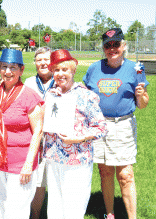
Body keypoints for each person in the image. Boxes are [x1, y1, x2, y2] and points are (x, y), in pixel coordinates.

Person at [83, 28, 149, 219]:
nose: (112, 48)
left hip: (122, 125)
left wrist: (140, 96)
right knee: (104, 171)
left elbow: (143, 105)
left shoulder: (135, 68)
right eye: (108, 45)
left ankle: (132, 216)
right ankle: (109, 213)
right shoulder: (94, 69)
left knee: (125, 175)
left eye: (116, 44)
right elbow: (84, 96)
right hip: (98, 125)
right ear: (103, 48)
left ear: (124, 46)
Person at [42, 49, 107, 219]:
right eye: (56, 70)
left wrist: (79, 137)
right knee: (55, 206)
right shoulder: (50, 94)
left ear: (73, 70)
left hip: (77, 158)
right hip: (54, 157)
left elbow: (101, 127)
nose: (60, 74)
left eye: (64, 69)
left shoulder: (85, 95)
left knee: (73, 207)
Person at [0, 49, 44, 219]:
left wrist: (28, 164)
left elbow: (38, 131)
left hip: (20, 162)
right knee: (0, 206)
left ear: (22, 70)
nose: (8, 72)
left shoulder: (29, 96)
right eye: (4, 67)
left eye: (13, 67)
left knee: (17, 210)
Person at [24, 46, 54, 219]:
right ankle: (35, 215)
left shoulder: (60, 80)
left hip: (56, 138)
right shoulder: (28, 83)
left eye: (47, 59)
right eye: (39, 59)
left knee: (56, 180)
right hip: (34, 137)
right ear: (34, 62)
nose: (43, 62)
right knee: (38, 181)